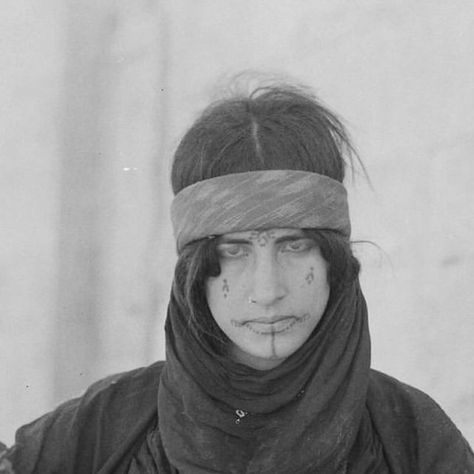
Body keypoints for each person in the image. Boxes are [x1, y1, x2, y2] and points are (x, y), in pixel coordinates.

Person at [1, 83, 473, 473]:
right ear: (195, 273)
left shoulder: (409, 435)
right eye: (233, 251)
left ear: (334, 262)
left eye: (295, 245)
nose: (267, 291)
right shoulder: (105, 426)